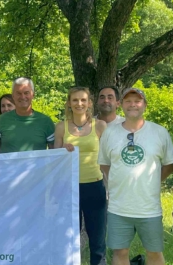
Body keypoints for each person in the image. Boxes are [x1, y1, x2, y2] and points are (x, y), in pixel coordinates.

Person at [98, 88, 173, 265]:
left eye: (137, 101)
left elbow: (170, 164)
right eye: (128, 101)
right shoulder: (110, 133)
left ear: (145, 105)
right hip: (118, 207)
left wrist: (151, 181)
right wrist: (119, 181)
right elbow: (104, 164)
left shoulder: (159, 132)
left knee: (154, 253)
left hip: (149, 208)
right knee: (120, 252)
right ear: (121, 105)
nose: (133, 105)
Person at [55, 86, 108, 265]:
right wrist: (62, 151)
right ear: (69, 103)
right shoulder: (61, 127)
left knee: (97, 241)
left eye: (83, 100)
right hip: (68, 189)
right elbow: (54, 160)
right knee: (69, 240)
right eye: (75, 100)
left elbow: (109, 157)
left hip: (95, 186)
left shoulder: (100, 126)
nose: (79, 103)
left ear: (90, 103)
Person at [0, 77, 54, 156]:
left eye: (26, 93)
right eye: (18, 93)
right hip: (7, 164)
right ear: (13, 96)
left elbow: (55, 150)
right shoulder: (3, 120)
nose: (23, 97)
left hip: (37, 164)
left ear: (33, 95)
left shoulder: (46, 122)